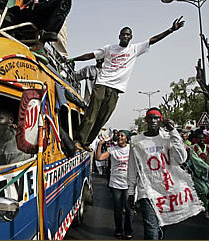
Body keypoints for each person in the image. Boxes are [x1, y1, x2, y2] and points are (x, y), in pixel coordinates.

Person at [68, 17, 185, 150]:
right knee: (92, 114)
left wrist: (171, 30)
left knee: (103, 118)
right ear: (119, 36)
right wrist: (73, 59)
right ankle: (78, 140)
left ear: (131, 37)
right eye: (123, 34)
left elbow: (153, 40)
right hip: (102, 84)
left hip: (116, 89)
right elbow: (91, 55)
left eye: (128, 35)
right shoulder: (109, 48)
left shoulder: (134, 49)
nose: (125, 36)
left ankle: (86, 143)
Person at [127, 107, 204, 240]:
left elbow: (181, 158)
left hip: (168, 191)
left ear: (161, 120)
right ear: (146, 120)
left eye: (156, 118)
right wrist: (130, 192)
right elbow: (133, 168)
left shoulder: (168, 137)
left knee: (162, 226)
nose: (153, 120)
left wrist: (173, 132)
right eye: (150, 118)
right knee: (151, 229)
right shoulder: (136, 141)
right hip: (147, 191)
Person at [96, 130, 134, 239]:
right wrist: (100, 145)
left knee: (128, 209)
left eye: (122, 135)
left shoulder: (132, 149)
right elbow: (99, 158)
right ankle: (118, 230)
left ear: (127, 138)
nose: (119, 137)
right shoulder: (112, 149)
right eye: (118, 135)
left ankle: (128, 231)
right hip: (115, 183)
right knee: (117, 209)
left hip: (128, 184)